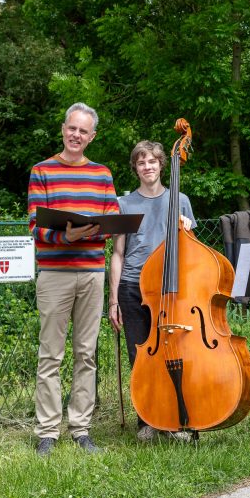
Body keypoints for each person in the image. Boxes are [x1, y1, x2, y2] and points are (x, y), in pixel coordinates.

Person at [28, 102, 119, 456]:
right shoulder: (42, 170)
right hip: (54, 273)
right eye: (72, 128)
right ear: (63, 129)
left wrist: (95, 231)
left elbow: (112, 219)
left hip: (92, 272)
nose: (76, 135)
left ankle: (81, 428)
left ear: (92, 136)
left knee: (86, 353)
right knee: (50, 355)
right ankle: (47, 432)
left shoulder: (102, 174)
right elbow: (35, 225)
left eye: (83, 131)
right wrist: (64, 236)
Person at [108, 140, 196, 442]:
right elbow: (117, 253)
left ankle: (175, 419)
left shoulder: (180, 200)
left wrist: (186, 229)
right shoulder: (124, 204)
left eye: (152, 161)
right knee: (140, 356)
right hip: (133, 286)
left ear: (161, 165)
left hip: (169, 289)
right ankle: (146, 420)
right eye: (141, 162)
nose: (147, 167)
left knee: (176, 354)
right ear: (136, 168)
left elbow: (192, 250)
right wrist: (113, 299)